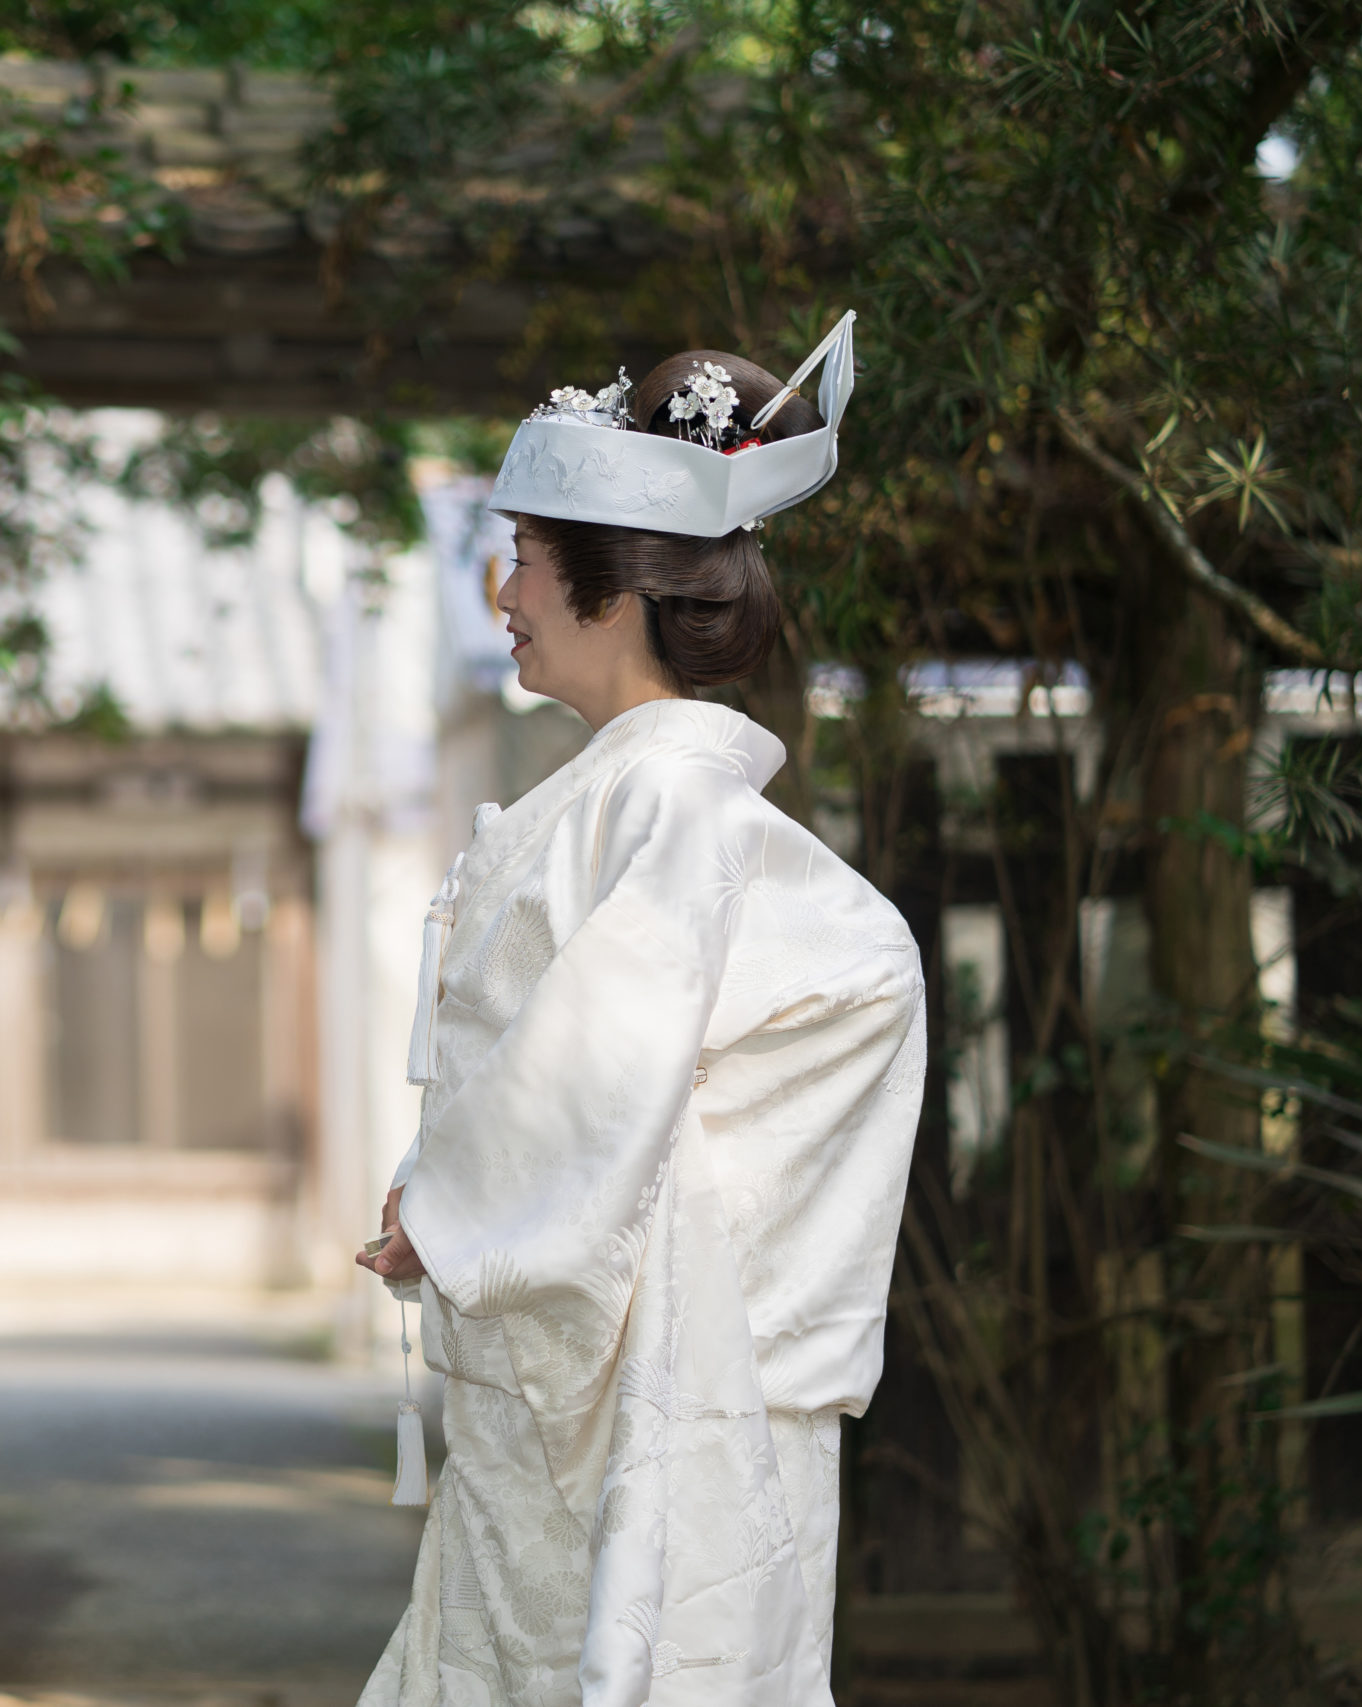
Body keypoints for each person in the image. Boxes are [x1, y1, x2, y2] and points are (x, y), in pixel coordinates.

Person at [356, 316, 926, 1707]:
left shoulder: (662, 797)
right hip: (564, 1362)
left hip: (626, 1368)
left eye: (531, 564)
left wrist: (454, 1207)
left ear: (614, 593)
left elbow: (610, 1052)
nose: (504, 590)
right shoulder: (634, 793)